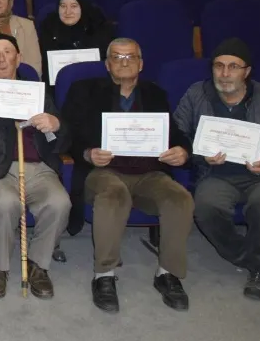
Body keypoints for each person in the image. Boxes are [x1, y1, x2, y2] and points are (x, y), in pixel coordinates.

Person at [62, 38, 194, 313]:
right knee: (114, 194)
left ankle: (168, 273)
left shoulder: (155, 94)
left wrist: (183, 151)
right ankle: (104, 275)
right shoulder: (84, 90)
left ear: (141, 64)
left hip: (149, 173)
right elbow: (67, 134)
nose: (124, 63)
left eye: (130, 57)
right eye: (117, 57)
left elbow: (175, 134)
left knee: (179, 198)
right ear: (107, 64)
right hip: (102, 171)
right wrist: (87, 153)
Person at [174, 38, 260, 301]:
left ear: (247, 71)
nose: (225, 73)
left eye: (233, 66)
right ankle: (256, 261)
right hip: (215, 175)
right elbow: (178, 134)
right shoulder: (196, 94)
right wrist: (200, 155)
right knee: (206, 207)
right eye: (219, 66)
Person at [0, 33, 70, 300]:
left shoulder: (36, 91)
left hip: (37, 167)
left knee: (59, 202)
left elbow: (63, 139)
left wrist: (55, 125)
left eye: (7, 52)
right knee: (5, 203)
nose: (1, 59)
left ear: (18, 58)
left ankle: (39, 264)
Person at [38, 0, 113, 89]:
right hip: (57, 88)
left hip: (95, 87)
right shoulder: (49, 28)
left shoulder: (99, 28)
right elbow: (45, 68)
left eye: (74, 6)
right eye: (63, 6)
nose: (68, 12)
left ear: (83, 7)